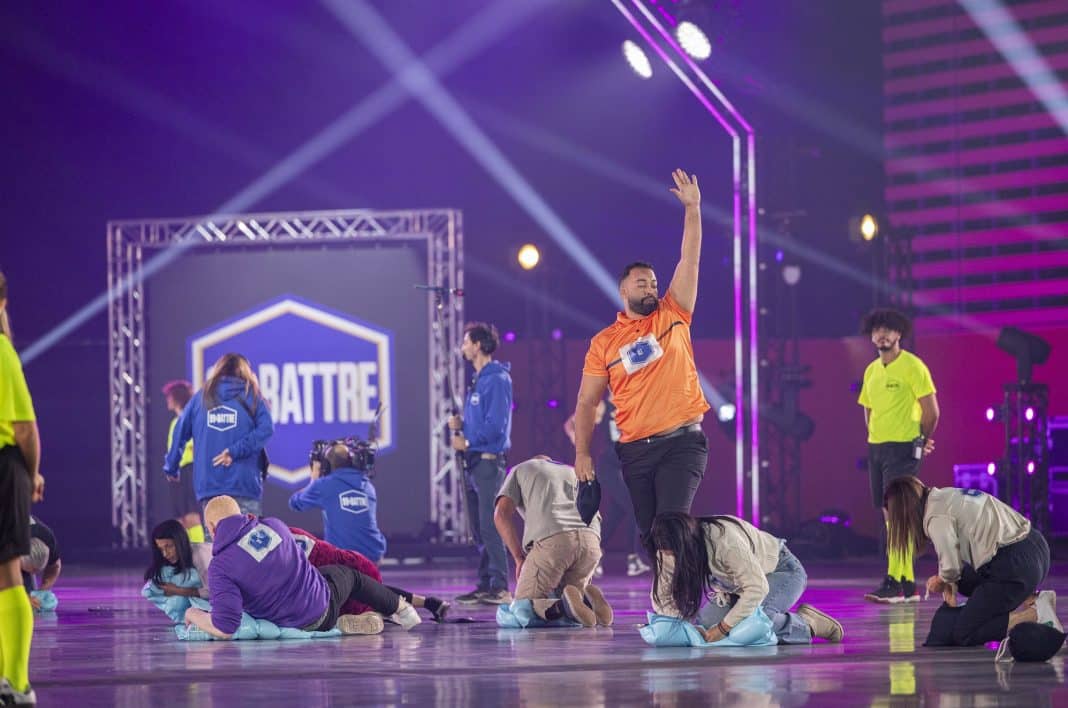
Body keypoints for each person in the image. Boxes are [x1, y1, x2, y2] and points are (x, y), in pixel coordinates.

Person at [573, 170, 710, 550]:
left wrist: (693, 209)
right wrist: (582, 453)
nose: (650, 287)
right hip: (634, 452)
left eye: (653, 282)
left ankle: (684, 603)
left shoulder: (674, 312)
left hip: (682, 441)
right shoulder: (604, 342)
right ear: (622, 290)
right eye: (641, 283)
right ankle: (672, 599)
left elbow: (690, 260)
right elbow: (587, 401)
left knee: (672, 526)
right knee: (651, 536)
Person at [183, 496, 420, 639]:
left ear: (212, 529)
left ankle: (340, 625)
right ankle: (403, 611)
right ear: (241, 514)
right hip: (321, 605)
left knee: (325, 579)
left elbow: (225, 627)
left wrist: (192, 613)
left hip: (291, 624)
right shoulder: (275, 526)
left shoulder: (220, 568)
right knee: (351, 577)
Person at [884, 476, 1058, 647]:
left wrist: (942, 579)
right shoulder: (943, 496)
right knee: (963, 582)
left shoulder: (935, 518)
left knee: (964, 632)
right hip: (1035, 548)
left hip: (1015, 566)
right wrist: (948, 581)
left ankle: (1036, 614)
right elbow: (952, 563)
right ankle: (1032, 597)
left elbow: (951, 568)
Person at [650, 512, 843, 645]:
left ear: (688, 542)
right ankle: (771, 622)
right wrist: (670, 626)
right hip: (738, 587)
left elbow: (757, 588)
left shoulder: (723, 540)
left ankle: (808, 624)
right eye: (667, 553)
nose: (672, 559)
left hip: (781, 571)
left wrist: (724, 627)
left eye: (676, 554)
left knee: (751, 625)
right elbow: (664, 593)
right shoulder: (667, 549)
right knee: (706, 624)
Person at [857, 308, 939, 603]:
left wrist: (922, 439)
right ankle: (905, 584)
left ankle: (894, 581)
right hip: (877, 447)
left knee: (897, 514)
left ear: (899, 334)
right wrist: (873, 434)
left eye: (888, 330)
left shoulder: (913, 366)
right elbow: (867, 407)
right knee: (890, 517)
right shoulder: (871, 370)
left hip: (903, 448)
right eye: (877, 330)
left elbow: (932, 411)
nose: (882, 335)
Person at [494, 456, 612, 627]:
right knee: (571, 599)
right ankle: (587, 600)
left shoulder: (520, 469)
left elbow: (501, 515)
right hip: (591, 540)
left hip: (555, 540)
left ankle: (562, 607)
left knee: (523, 609)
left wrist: (519, 558)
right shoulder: (572, 470)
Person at [164, 353, 274, 536]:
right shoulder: (253, 396)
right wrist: (235, 451)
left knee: (215, 550)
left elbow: (179, 433)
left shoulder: (201, 398)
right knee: (249, 549)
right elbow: (266, 430)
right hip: (245, 484)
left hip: (211, 486)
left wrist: (171, 467)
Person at [0, 270, 44, 705]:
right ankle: (16, 683)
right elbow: (25, 430)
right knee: (8, 574)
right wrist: (32, 475)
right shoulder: (2, 352)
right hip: (3, 467)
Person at [448, 322, 513, 606]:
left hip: (487, 462)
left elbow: (497, 426)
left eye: (465, 342)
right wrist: (462, 425)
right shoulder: (478, 380)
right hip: (474, 463)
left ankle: (500, 586)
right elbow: (480, 420)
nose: (462, 347)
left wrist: (469, 441)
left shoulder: (497, 379)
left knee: (490, 525)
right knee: (479, 527)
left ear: (477, 345)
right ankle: (486, 583)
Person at [564, 396, 649, 577]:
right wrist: (577, 440)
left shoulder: (632, 401)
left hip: (626, 465)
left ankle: (592, 553)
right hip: (608, 465)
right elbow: (571, 423)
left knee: (617, 513)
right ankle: (632, 558)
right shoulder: (603, 406)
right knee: (634, 506)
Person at [289, 527, 449, 623]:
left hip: (343, 577)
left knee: (328, 608)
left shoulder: (273, 550)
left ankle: (372, 616)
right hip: (360, 562)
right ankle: (428, 603)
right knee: (375, 591)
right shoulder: (286, 531)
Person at [288, 443, 387, 562]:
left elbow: (295, 503)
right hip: (373, 552)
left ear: (328, 464)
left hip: (343, 556)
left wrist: (313, 480)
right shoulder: (367, 485)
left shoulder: (324, 485)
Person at [162, 380, 204, 542]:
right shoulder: (175, 422)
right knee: (180, 520)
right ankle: (187, 556)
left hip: (190, 470)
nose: (168, 400)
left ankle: (201, 555)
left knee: (192, 516)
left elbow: (196, 446)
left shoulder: (193, 419)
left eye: (170, 397)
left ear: (178, 398)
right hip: (176, 474)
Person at [145, 519, 208, 600]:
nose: (165, 554)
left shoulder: (201, 556)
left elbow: (213, 592)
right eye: (160, 549)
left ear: (181, 542)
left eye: (169, 546)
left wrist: (177, 591)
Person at [20, 517, 61, 606]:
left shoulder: (48, 538)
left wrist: (43, 590)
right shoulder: (7, 541)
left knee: (33, 600)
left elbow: (55, 566)